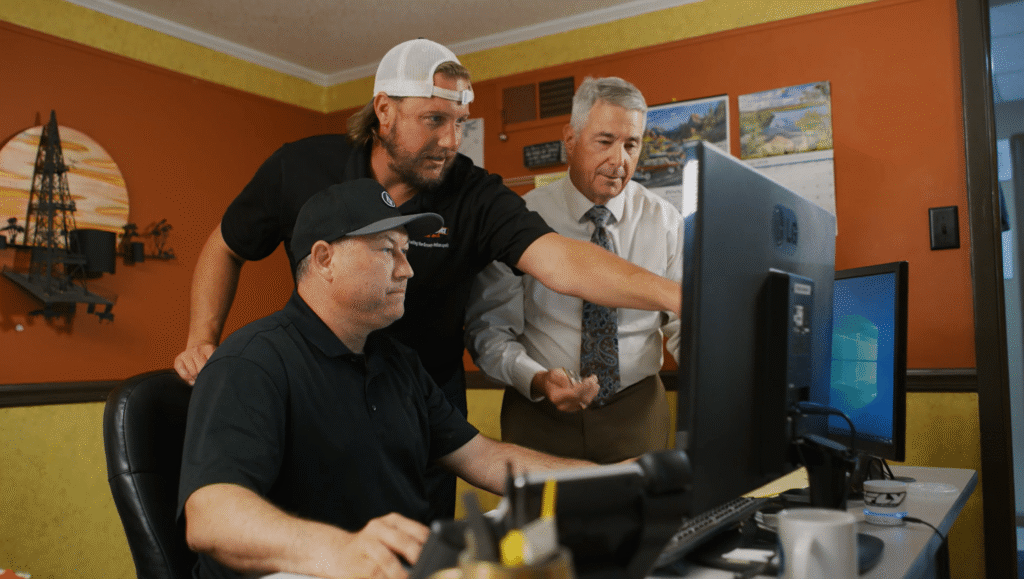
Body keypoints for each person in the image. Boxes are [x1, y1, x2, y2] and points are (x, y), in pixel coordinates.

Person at [173, 38, 680, 518]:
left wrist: (682, 299)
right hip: (319, 386)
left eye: (461, 121)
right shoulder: (257, 363)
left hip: (416, 396)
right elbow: (226, 243)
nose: (451, 141)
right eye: (434, 119)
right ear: (384, 110)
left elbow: (562, 263)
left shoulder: (472, 194)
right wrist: (201, 339)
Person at [178, 179, 594, 579]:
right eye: (387, 251)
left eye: (406, 251)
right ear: (325, 259)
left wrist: (607, 482)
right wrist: (343, 551)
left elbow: (481, 457)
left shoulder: (397, 361)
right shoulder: (251, 363)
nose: (407, 270)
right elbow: (210, 516)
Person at [465, 77, 683, 463]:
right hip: (539, 412)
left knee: (641, 520)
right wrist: (536, 379)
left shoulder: (663, 219)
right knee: (538, 523)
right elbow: (490, 331)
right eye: (605, 141)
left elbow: (682, 322)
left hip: (636, 409)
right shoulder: (521, 218)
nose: (620, 160)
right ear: (570, 139)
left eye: (631, 144)